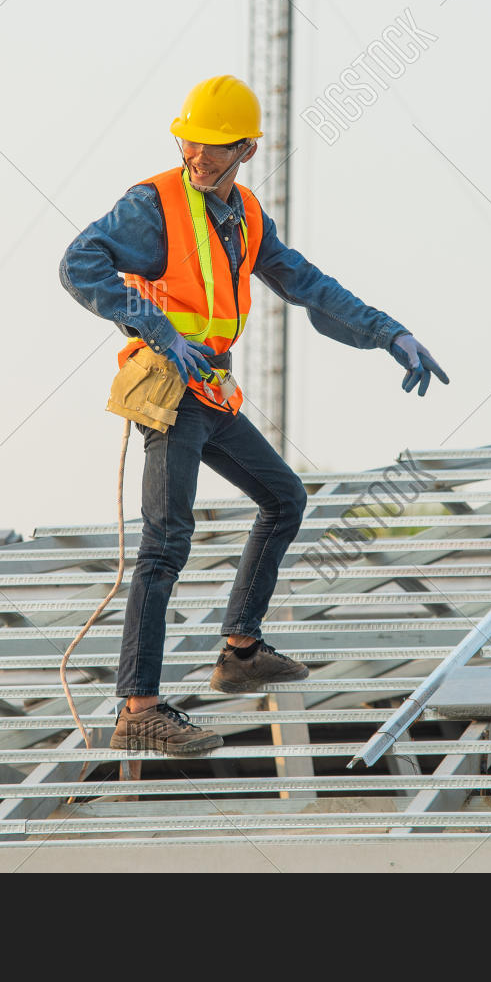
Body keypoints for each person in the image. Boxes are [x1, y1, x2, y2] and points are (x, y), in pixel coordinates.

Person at [60, 74, 449, 755]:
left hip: (208, 391)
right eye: (190, 142)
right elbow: (78, 263)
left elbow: (308, 284)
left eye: (213, 148)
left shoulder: (244, 215)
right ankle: (138, 707)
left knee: (283, 497)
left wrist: (387, 332)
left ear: (246, 149)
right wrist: (154, 329)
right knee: (165, 543)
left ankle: (239, 650)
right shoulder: (153, 205)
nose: (197, 157)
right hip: (167, 387)